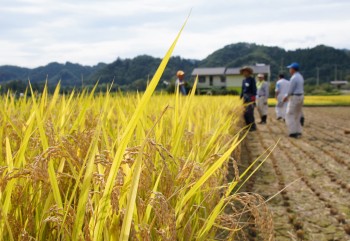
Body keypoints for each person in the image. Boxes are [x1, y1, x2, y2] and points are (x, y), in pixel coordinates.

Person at [283, 62, 304, 138]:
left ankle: (293, 132)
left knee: (289, 114)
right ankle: (298, 131)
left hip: (294, 97)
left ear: (293, 69)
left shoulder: (293, 78)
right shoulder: (300, 76)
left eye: (290, 69)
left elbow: (290, 90)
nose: (289, 70)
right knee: (297, 114)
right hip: (301, 96)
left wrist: (286, 96)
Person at [240, 66, 257, 131]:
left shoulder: (252, 80)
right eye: (243, 72)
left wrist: (253, 99)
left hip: (250, 97)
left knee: (250, 112)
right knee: (245, 113)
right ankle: (247, 126)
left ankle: (252, 126)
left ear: (249, 72)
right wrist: (241, 97)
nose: (244, 73)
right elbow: (242, 89)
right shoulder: (244, 80)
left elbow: (254, 89)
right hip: (245, 97)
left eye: (246, 71)